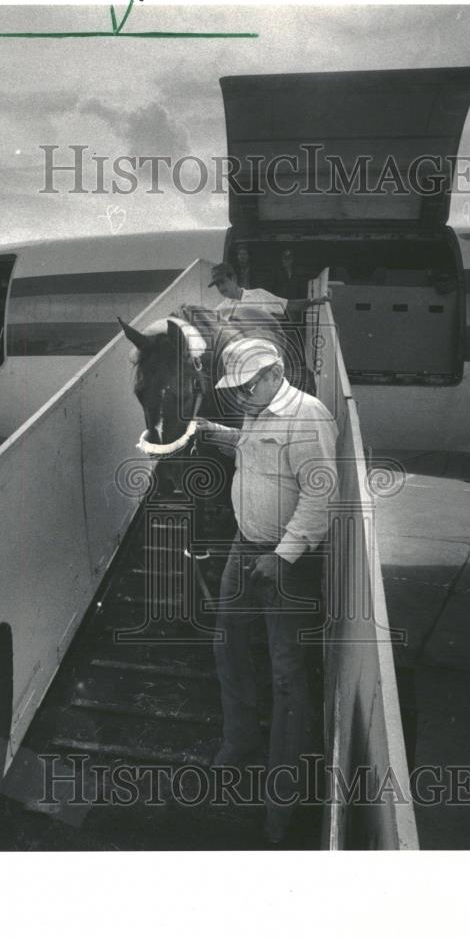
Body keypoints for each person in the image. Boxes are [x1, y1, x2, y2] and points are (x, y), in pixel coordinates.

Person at [197, 338, 338, 844]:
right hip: (246, 546)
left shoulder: (309, 416)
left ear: (274, 373)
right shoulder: (260, 411)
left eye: (245, 386)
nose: (239, 396)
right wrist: (213, 432)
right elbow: (251, 451)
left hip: (285, 560)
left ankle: (284, 790)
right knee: (227, 641)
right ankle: (240, 738)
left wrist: (281, 559)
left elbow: (322, 495)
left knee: (286, 672)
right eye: (234, 389)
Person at [208, 262, 329, 393]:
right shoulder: (219, 311)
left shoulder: (259, 296)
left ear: (233, 278)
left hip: (271, 358)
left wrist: (314, 301)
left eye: (222, 282)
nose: (220, 288)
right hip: (244, 367)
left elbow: (289, 305)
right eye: (217, 285)